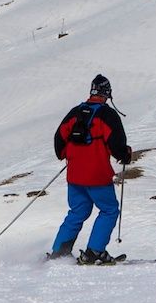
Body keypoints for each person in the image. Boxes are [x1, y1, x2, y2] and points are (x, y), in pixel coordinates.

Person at [49, 74, 132, 264]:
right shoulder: (108, 115)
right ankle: (94, 252)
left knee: (78, 211)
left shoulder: (75, 112)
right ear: (107, 93)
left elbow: (59, 139)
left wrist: (66, 155)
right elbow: (117, 145)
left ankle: (59, 252)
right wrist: (125, 155)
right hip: (97, 175)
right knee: (109, 210)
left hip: (75, 175)